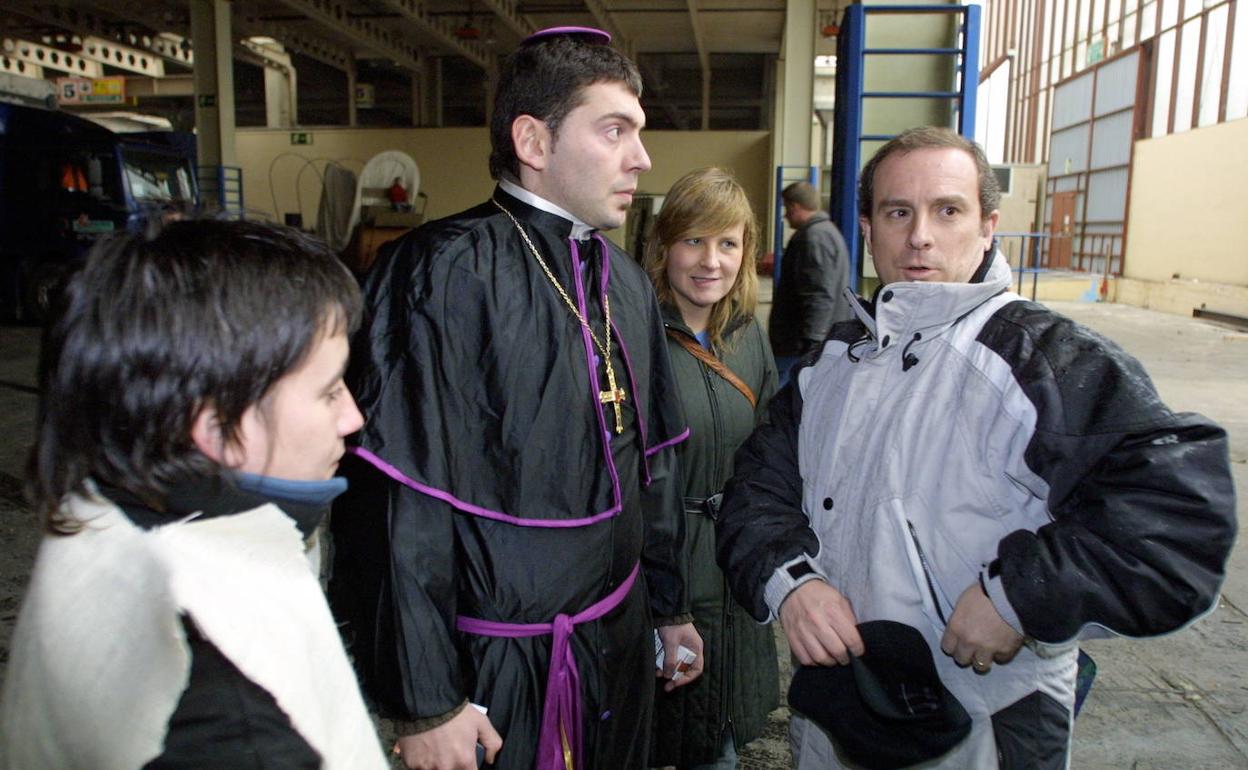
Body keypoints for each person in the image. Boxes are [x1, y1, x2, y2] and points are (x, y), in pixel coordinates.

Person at [715, 126, 1237, 768]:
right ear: (869, 228)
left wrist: (1021, 596)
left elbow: (1179, 517)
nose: (920, 236)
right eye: (898, 212)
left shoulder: (1037, 358)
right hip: (840, 711)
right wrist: (790, 583)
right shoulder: (835, 362)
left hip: (983, 721)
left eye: (948, 210)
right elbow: (757, 490)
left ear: (989, 226)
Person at [328, 26, 703, 770]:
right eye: (614, 130)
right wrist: (423, 697)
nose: (642, 157)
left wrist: (670, 607)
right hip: (497, 668)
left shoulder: (625, 282)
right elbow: (398, 500)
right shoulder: (439, 271)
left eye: (640, 132)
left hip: (621, 641)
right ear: (533, 140)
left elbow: (648, 470)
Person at [0, 220, 387, 770]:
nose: (352, 417)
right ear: (215, 427)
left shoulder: (107, 497)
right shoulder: (239, 713)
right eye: (327, 392)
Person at [642, 168, 780, 769]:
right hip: (664, 572)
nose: (710, 261)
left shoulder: (748, 336)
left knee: (720, 746)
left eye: (728, 243)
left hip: (737, 568)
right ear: (663, 246)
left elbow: (775, 451)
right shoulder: (631, 337)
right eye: (693, 240)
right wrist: (663, 607)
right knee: (656, 738)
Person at [767, 181, 852, 385]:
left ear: (794, 206)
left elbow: (819, 294)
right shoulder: (828, 232)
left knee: (784, 405)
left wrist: (812, 344)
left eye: (786, 209)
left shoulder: (812, 238)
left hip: (798, 347)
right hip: (814, 342)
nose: (786, 216)